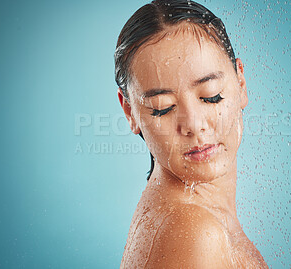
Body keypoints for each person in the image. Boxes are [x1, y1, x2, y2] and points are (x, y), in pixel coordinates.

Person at [114, 0, 268, 268]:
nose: (194, 125)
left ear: (240, 82)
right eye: (163, 109)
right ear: (130, 112)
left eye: (211, 97)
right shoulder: (194, 232)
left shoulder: (187, 217)